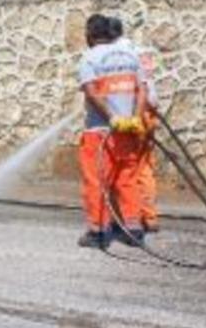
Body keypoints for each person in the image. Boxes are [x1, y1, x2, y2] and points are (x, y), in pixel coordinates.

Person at [77, 14, 147, 248]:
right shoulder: (131, 56)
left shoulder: (90, 58)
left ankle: (97, 232)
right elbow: (142, 90)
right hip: (128, 130)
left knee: (97, 181)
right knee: (127, 179)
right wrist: (135, 118)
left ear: (89, 35)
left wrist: (112, 118)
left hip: (100, 132)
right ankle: (134, 229)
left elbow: (91, 91)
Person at [108, 17, 160, 233]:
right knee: (144, 167)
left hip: (130, 114)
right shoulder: (139, 52)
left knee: (121, 168)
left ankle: (126, 218)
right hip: (150, 112)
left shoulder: (114, 56)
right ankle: (149, 217)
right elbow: (149, 88)